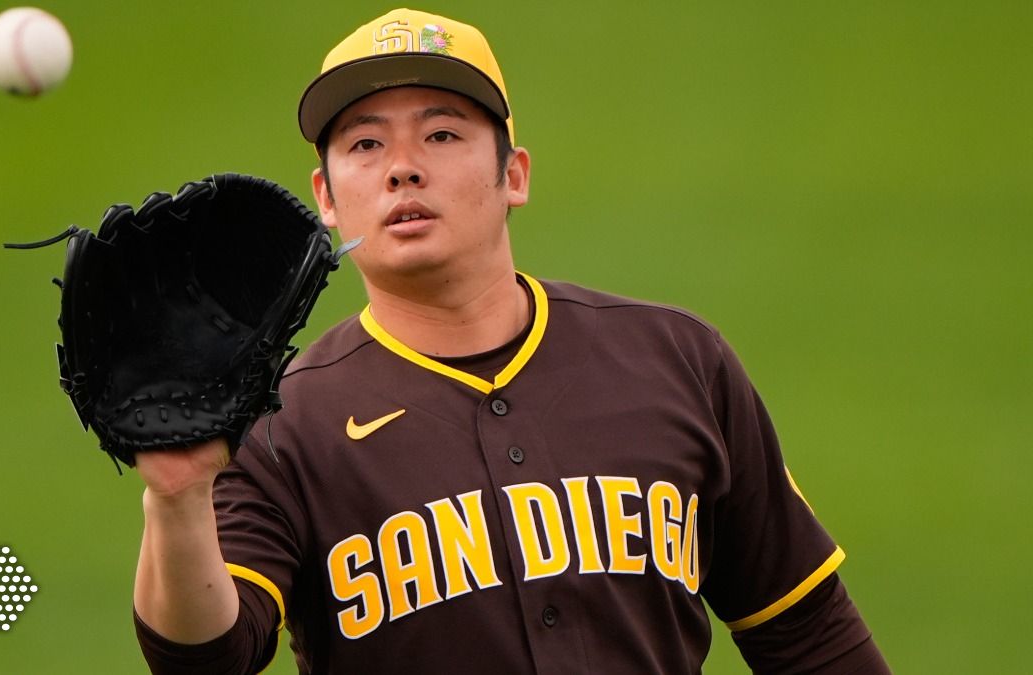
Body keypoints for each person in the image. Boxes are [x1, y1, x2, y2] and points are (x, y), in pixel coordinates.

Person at [131, 8, 889, 674]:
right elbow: (206, 659)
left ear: (514, 174)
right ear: (326, 197)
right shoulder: (281, 422)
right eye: (365, 145)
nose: (402, 169)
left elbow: (807, 632)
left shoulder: (678, 360)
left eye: (441, 134)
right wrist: (177, 498)